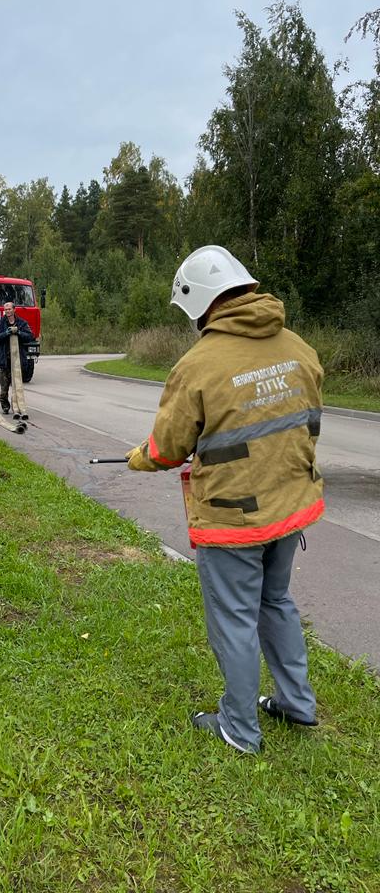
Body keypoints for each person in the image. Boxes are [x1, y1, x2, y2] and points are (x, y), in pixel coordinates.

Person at [126, 245, 323, 754]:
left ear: (200, 303)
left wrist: (139, 457)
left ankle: (238, 727)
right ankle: (296, 703)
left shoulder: (198, 366)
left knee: (234, 618)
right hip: (291, 506)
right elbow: (305, 425)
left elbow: (168, 450)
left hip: (234, 520)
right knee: (275, 601)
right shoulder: (299, 348)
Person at [0, 301, 35, 415]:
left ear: (14, 310)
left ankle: (18, 406)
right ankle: (5, 406)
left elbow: (30, 336)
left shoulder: (22, 323)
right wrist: (6, 333)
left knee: (17, 386)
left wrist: (19, 332)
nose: (8, 312)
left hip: (17, 361)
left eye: (9, 309)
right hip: (5, 360)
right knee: (4, 389)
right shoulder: (0, 324)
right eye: (6, 310)